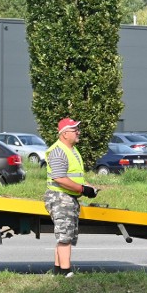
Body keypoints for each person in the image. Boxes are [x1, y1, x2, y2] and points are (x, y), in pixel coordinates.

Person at [44, 118, 98, 277]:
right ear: (65, 134)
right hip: (60, 197)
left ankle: (58, 271)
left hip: (68, 197)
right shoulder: (59, 151)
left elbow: (75, 177)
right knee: (65, 236)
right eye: (75, 130)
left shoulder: (71, 150)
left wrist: (88, 187)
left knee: (64, 235)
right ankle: (66, 272)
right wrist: (82, 189)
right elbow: (59, 178)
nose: (78, 132)